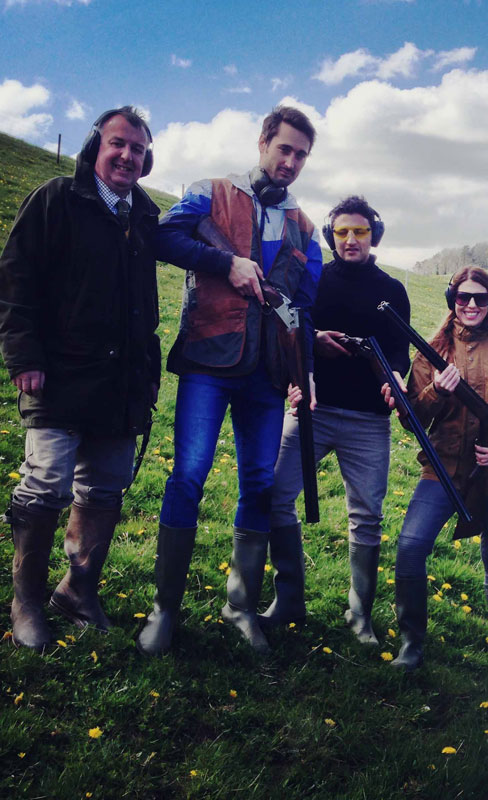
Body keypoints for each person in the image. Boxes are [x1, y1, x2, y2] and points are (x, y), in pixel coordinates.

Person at [136, 106, 322, 657]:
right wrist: (226, 263)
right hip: (209, 362)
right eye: (284, 149)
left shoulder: (306, 228)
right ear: (264, 142)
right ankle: (164, 610)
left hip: (267, 376)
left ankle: (240, 606)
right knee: (189, 476)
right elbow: (163, 240)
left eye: (301, 155)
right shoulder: (208, 192)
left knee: (260, 484)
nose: (290, 162)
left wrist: (304, 371)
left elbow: (304, 310)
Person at [0, 107, 160, 651]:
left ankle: (77, 590)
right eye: (118, 144)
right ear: (95, 146)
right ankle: (25, 601)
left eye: (138, 149)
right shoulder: (55, 199)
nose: (127, 156)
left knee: (106, 487)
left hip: (120, 385)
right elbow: (17, 279)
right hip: (59, 374)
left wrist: (148, 377)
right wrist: (23, 355)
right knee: (45, 486)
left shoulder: (145, 215)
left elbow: (144, 306)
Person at [391, 266, 488, 682]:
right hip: (444, 468)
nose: (472, 305)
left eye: (481, 298)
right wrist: (435, 390)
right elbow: (412, 419)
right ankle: (412, 642)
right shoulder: (432, 350)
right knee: (410, 547)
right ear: (452, 300)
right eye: (464, 297)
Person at [262, 196, 410, 644]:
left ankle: (360, 613)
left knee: (366, 517)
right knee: (275, 496)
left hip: (368, 420)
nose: (350, 240)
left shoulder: (393, 290)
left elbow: (400, 355)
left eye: (360, 232)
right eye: (342, 232)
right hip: (312, 411)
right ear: (331, 237)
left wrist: (397, 381)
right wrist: (296, 373)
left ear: (373, 236)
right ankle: (288, 598)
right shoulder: (314, 281)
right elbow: (288, 333)